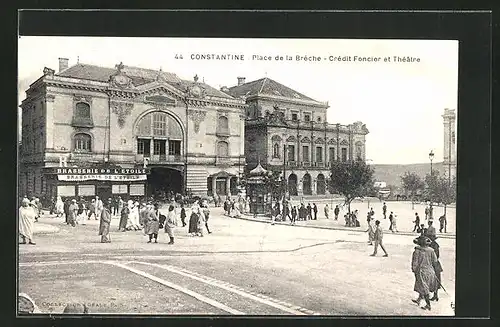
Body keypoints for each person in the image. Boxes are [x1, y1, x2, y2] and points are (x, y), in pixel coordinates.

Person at [411, 235, 440, 310]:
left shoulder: (417, 251)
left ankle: (428, 305)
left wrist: (414, 270)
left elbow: (415, 263)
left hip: (421, 271)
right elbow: (435, 261)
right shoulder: (431, 250)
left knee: (424, 287)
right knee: (423, 286)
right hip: (430, 271)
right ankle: (419, 300)